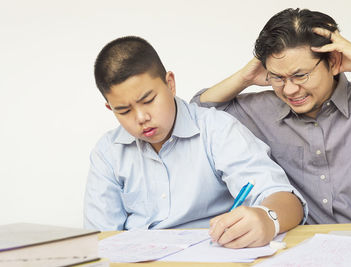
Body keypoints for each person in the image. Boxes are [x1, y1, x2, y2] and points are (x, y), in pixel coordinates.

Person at [83, 36, 306, 248]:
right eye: (123, 110)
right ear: (110, 108)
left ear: (170, 83)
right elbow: (100, 239)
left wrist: (267, 218)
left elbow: (286, 200)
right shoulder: (108, 153)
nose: (141, 118)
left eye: (149, 100)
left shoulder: (217, 130)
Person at [192, 8, 351, 225]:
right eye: (278, 77)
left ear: (334, 61)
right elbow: (199, 113)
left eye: (300, 76)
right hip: (300, 251)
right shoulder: (262, 109)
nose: (290, 90)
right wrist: (244, 78)